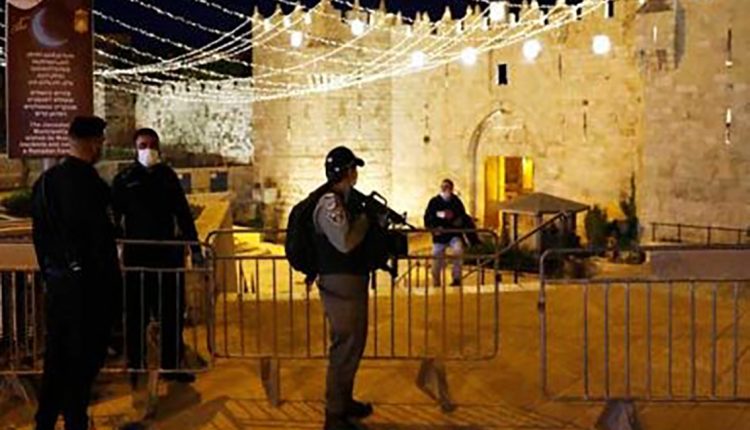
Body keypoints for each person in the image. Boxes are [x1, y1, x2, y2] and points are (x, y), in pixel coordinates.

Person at [31, 116, 120, 430]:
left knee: (57, 358)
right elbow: (100, 242)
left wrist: (52, 275)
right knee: (84, 360)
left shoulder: (45, 183)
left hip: (58, 286)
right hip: (89, 289)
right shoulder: (91, 186)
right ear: (94, 143)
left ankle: (44, 421)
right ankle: (74, 420)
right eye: (101, 142)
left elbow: (39, 238)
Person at [112, 128, 202, 385]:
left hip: (168, 256)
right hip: (137, 257)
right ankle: (136, 366)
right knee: (136, 314)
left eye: (152, 144)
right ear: (135, 149)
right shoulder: (125, 179)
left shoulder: (168, 177)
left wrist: (195, 248)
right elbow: (113, 217)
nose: (148, 150)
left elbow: (183, 214)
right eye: (143, 145)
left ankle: (171, 365)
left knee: (171, 314)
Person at [313, 146, 375, 430]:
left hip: (351, 281)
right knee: (345, 347)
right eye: (353, 168)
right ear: (346, 171)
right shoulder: (330, 203)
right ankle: (335, 415)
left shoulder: (346, 200)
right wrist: (365, 221)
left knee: (353, 345)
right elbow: (345, 241)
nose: (355, 173)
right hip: (340, 283)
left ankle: (344, 402)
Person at [424, 179, 467, 287]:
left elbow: (462, 216)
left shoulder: (456, 202)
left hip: (454, 234)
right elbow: (428, 217)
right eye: (444, 187)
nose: (446, 189)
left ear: (452, 188)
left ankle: (456, 278)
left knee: (458, 251)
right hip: (440, 236)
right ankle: (436, 281)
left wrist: (458, 221)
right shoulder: (434, 202)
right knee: (436, 257)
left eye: (448, 187)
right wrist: (434, 229)